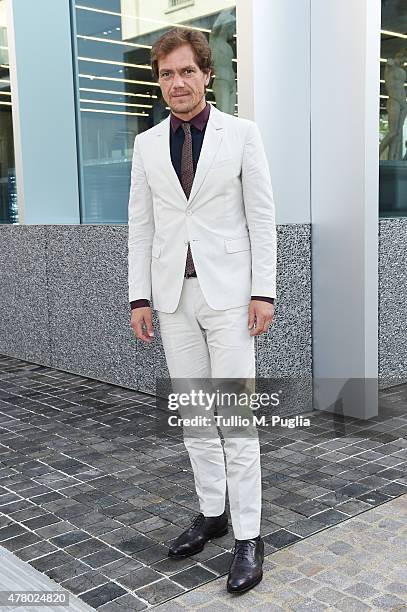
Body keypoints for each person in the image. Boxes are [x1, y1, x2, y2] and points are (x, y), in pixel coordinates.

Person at [128, 27, 277, 594]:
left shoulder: (241, 135)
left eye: (187, 71)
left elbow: (261, 217)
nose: (177, 83)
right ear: (159, 81)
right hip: (172, 299)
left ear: (207, 75)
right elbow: (142, 224)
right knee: (195, 415)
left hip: (231, 298)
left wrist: (264, 290)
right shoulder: (146, 145)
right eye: (167, 74)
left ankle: (248, 535)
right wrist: (139, 295)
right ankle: (213, 512)